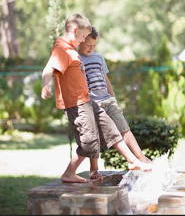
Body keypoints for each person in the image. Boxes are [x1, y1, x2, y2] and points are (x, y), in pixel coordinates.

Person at [41, 14, 152, 184]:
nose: (84, 40)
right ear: (76, 31)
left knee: (112, 129)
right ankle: (69, 173)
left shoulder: (71, 49)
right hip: (78, 103)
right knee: (90, 144)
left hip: (88, 100)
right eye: (83, 37)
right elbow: (49, 69)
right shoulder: (62, 49)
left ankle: (133, 161)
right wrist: (46, 85)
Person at [78, 26, 152, 179]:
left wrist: (113, 99)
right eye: (88, 45)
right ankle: (94, 170)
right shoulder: (76, 60)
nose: (91, 48)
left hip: (107, 100)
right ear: (80, 41)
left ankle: (140, 158)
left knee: (124, 128)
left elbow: (106, 79)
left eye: (94, 45)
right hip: (93, 104)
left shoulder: (98, 58)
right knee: (95, 137)